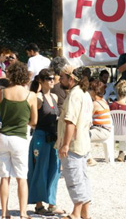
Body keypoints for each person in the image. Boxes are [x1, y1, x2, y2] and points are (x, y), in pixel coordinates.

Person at [0, 61, 37, 219]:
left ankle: (4, 213)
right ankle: (22, 213)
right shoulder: (31, 96)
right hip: (20, 138)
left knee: (4, 178)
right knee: (22, 178)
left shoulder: (2, 93)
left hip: (2, 138)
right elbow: (34, 121)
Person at [56, 65, 93, 219]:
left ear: (71, 79)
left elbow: (70, 121)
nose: (60, 80)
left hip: (73, 144)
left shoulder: (74, 95)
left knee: (74, 179)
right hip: (83, 142)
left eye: (62, 77)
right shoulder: (86, 94)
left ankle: (76, 214)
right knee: (82, 178)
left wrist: (65, 144)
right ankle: (84, 213)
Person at [27, 69, 64, 216]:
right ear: (41, 81)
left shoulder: (54, 96)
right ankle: (38, 204)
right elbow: (30, 120)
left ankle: (52, 203)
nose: (52, 81)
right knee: (39, 170)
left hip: (54, 137)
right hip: (41, 137)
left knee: (55, 170)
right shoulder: (37, 98)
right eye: (48, 78)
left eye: (53, 78)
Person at [88, 79, 112, 165]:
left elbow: (87, 118)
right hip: (104, 130)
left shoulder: (95, 103)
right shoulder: (104, 101)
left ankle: (89, 158)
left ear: (95, 91)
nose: (88, 91)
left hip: (101, 130)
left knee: (82, 135)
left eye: (90, 89)